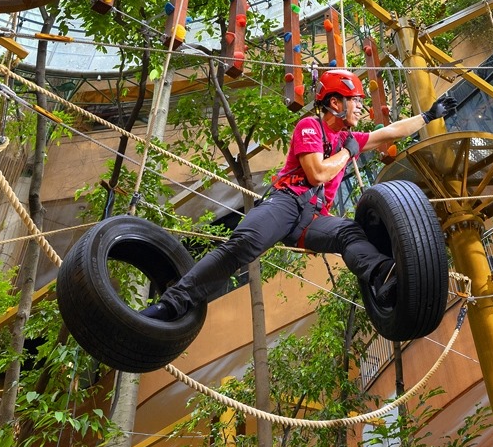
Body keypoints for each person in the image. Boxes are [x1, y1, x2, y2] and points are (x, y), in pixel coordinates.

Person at [144, 69, 458, 321]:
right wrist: (348, 154)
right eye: (355, 100)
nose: (361, 107)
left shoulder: (348, 138)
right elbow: (318, 174)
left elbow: (389, 132)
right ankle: (173, 303)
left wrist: (428, 117)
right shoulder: (310, 127)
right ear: (336, 103)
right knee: (243, 246)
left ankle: (381, 274)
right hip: (286, 203)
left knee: (349, 232)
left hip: (313, 220)